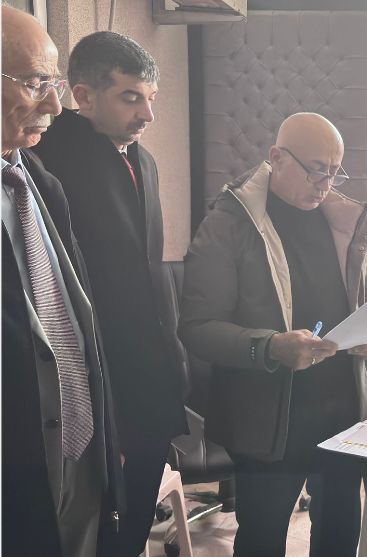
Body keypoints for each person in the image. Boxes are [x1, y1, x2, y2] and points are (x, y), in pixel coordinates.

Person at [179, 112, 367, 556]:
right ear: (276, 157)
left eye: (334, 172)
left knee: (339, 533)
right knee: (263, 537)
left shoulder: (341, 222)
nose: (325, 184)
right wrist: (271, 347)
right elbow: (197, 328)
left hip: (342, 410)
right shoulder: (230, 223)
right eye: (316, 170)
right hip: (268, 418)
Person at [31, 31, 187, 557]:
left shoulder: (144, 162)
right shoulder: (46, 161)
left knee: (132, 526)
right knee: (93, 534)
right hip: (88, 383)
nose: (147, 114)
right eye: (130, 97)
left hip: (148, 378)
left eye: (151, 99)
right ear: (83, 95)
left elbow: (147, 277)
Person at [1, 6, 122, 557]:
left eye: (54, 83)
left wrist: (107, 443)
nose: (54, 104)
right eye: (34, 83)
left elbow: (77, 325)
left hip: (78, 457)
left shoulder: (40, 182)